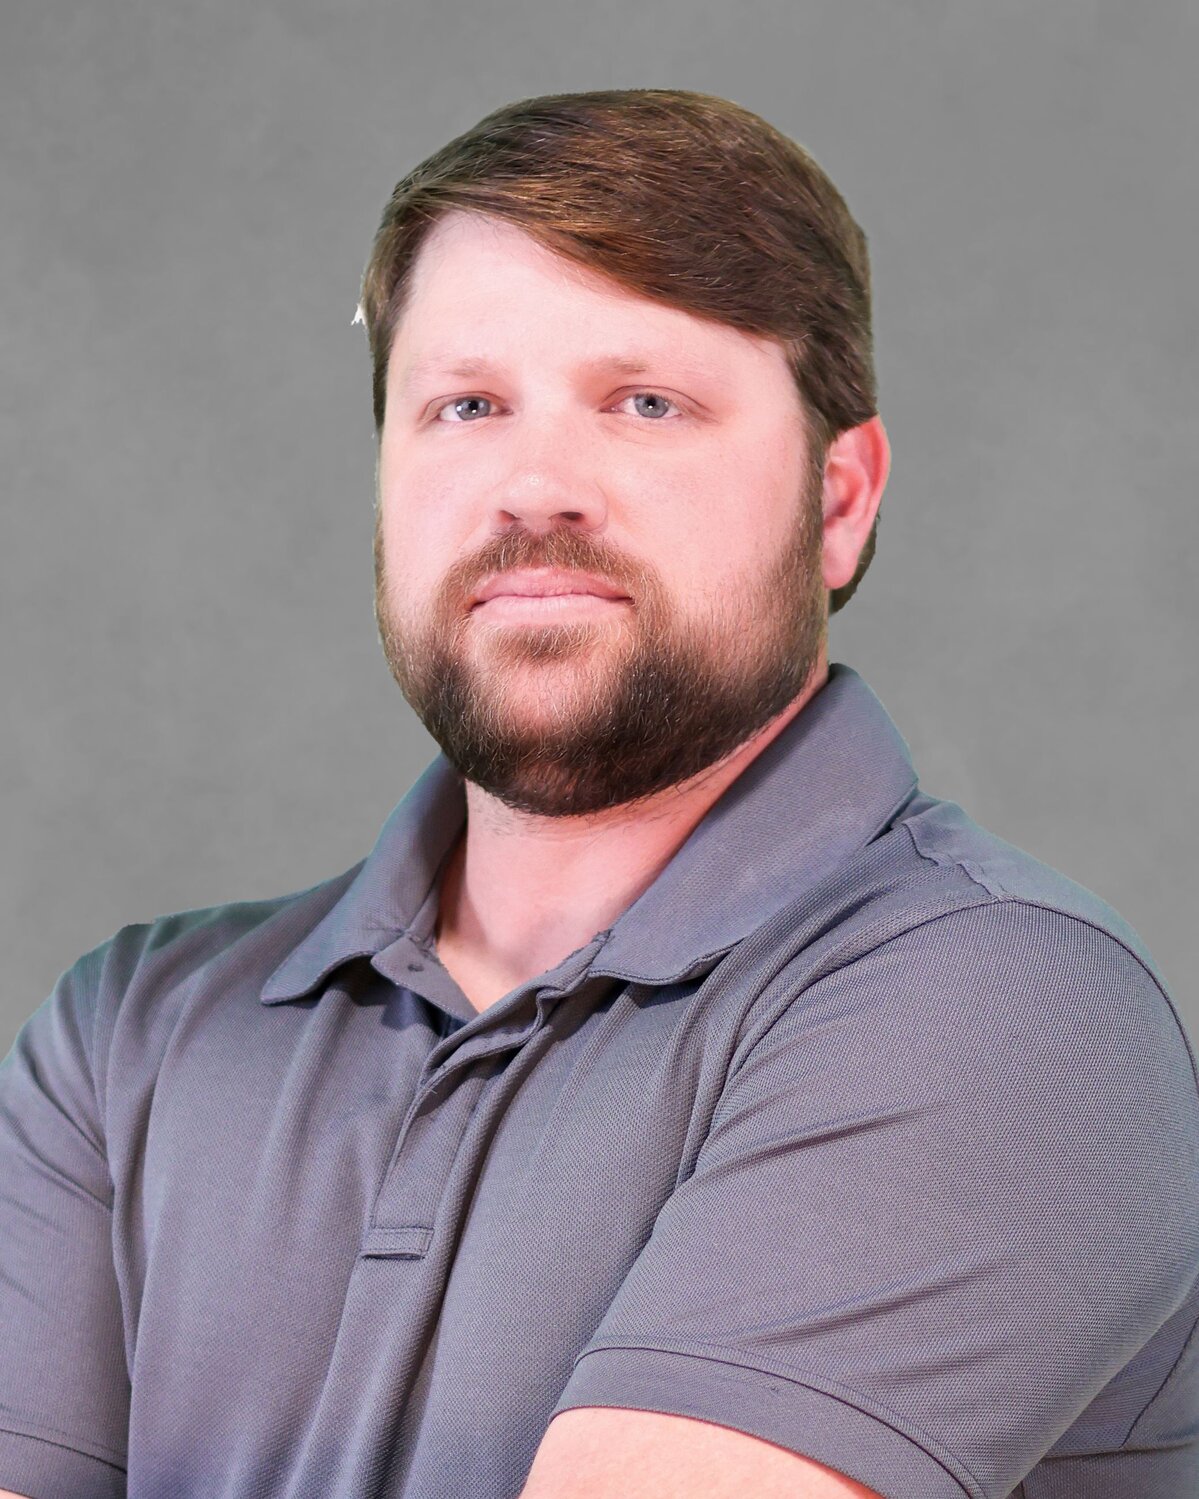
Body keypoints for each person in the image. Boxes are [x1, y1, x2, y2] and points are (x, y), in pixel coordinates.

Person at [0, 87, 1195, 1499]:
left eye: (646, 402)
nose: (535, 484)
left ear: (841, 499)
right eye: (466, 404)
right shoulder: (131, 1031)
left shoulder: (1001, 1003)